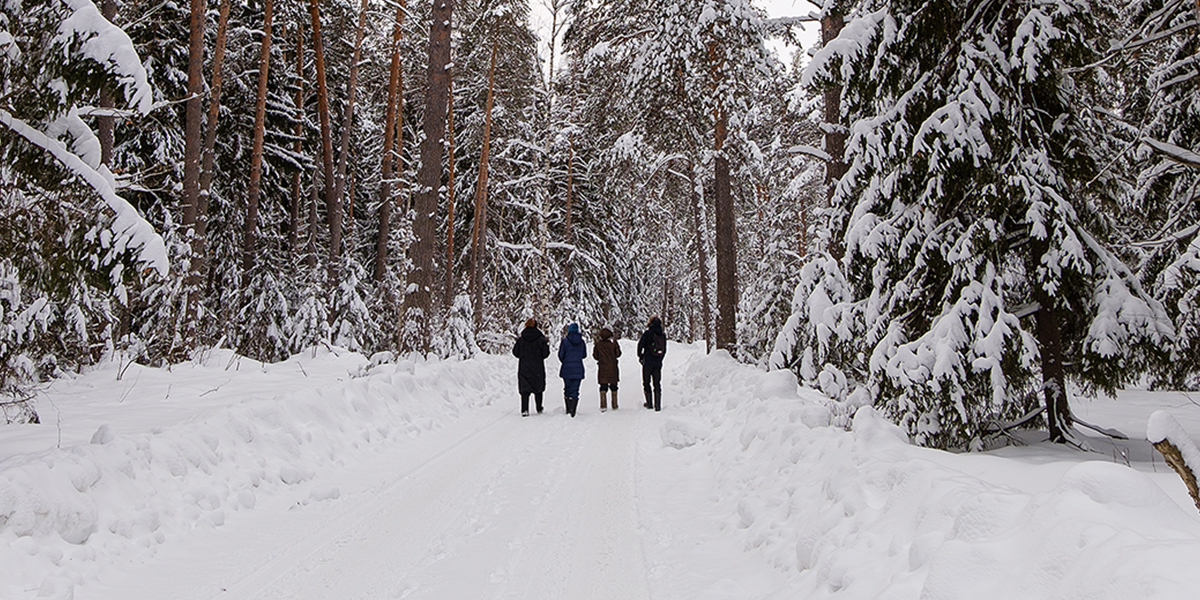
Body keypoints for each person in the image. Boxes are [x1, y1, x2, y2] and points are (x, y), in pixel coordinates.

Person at [512, 318, 550, 416]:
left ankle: (525, 409)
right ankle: (539, 407)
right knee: (538, 388)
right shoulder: (540, 339)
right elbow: (545, 354)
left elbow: (515, 353)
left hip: (524, 367)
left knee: (525, 390)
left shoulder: (521, 339)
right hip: (537, 367)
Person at [637, 316, 666, 411]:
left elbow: (640, 345)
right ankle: (658, 405)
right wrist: (660, 359)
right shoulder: (662, 335)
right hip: (657, 363)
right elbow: (664, 350)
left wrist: (640, 356)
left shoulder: (647, 334)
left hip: (648, 362)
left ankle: (649, 403)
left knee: (646, 382)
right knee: (657, 383)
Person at [558, 322, 587, 417]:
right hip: (578, 369)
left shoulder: (565, 341)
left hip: (566, 369)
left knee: (567, 388)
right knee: (575, 389)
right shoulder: (581, 342)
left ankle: (568, 408)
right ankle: (573, 410)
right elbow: (584, 355)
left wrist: (566, 361)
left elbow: (561, 355)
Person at [592, 327, 621, 411]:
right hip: (613, 367)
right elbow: (618, 354)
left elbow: (595, 356)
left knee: (603, 386)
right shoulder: (613, 343)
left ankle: (603, 405)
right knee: (614, 386)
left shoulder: (598, 344)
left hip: (602, 367)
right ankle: (614, 404)